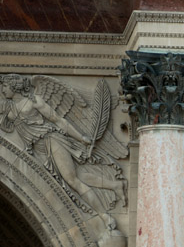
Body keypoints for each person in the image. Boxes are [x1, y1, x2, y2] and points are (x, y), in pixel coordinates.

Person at [0, 74, 126, 213]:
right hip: (37, 149)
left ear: (14, 86)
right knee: (75, 176)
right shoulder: (10, 108)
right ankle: (115, 185)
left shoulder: (34, 101)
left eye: (5, 86)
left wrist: (81, 137)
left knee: (71, 180)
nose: (2, 89)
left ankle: (104, 216)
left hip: (51, 140)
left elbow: (58, 120)